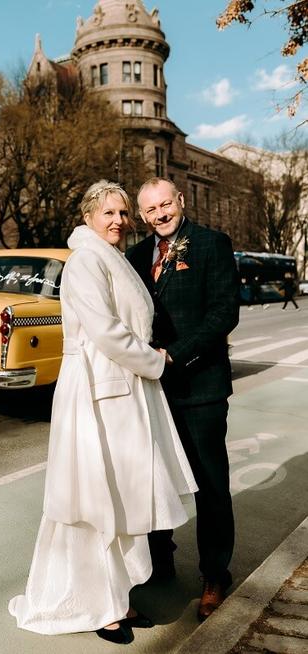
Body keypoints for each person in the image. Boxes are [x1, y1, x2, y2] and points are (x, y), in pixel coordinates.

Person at [9, 180, 198, 645]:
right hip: (96, 390)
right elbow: (107, 331)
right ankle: (97, 606)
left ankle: (114, 597)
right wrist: (154, 361)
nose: (117, 220)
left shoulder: (106, 256)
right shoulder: (86, 261)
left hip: (118, 388)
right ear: (89, 216)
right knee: (94, 497)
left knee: (115, 495)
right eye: (108, 212)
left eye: (121, 212)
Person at [127, 177, 240, 622]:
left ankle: (215, 573)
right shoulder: (135, 257)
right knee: (155, 482)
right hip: (152, 392)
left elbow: (223, 312)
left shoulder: (212, 244)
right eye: (151, 209)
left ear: (181, 201)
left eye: (166, 204)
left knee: (211, 486)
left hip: (201, 388)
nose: (161, 214)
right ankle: (161, 561)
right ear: (143, 216)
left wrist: (175, 355)